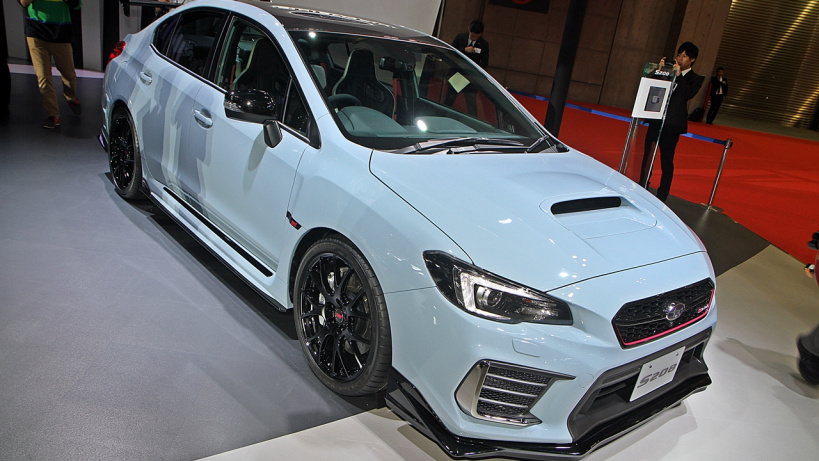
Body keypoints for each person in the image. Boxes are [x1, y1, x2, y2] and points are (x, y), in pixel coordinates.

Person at [639, 41, 704, 202]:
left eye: (684, 56)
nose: (680, 58)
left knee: (666, 160)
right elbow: (652, 85)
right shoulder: (667, 71)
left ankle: (662, 195)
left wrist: (679, 75)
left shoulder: (695, 78)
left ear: (692, 59)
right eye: (679, 55)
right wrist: (659, 69)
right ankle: (642, 186)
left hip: (672, 125)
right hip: (656, 120)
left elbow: (687, 94)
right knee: (647, 156)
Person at [20, 0, 82, 129]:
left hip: (61, 31)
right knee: (43, 76)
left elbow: (76, 4)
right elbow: (23, 2)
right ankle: (53, 115)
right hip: (35, 31)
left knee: (69, 74)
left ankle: (70, 97)